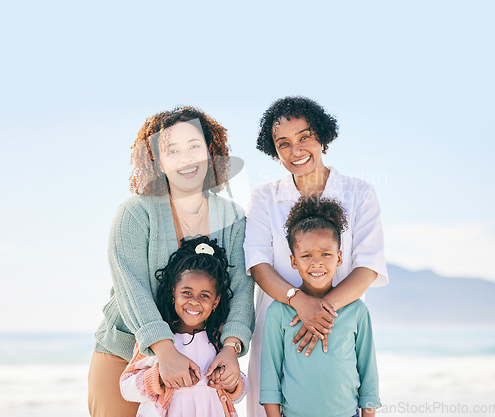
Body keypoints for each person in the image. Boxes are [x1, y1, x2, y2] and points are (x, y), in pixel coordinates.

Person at [88, 107, 254, 417]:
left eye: (194, 146)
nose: (186, 158)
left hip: (201, 359)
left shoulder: (233, 219)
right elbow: (131, 288)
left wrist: (231, 348)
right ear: (157, 160)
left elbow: (243, 289)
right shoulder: (136, 212)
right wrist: (164, 351)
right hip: (125, 355)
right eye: (172, 150)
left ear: (210, 150)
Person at [244, 96, 388, 416]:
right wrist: (299, 302)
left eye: (305, 137)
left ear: (321, 135)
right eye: (283, 143)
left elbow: (368, 265)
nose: (296, 151)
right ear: (274, 150)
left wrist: (320, 312)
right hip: (279, 329)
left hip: (340, 326)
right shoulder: (264, 197)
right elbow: (258, 264)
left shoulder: (359, 193)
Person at [260, 196, 380, 417]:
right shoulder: (278, 312)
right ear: (294, 260)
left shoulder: (357, 311)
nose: (317, 263)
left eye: (326, 254)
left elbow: (368, 376)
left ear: (339, 258)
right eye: (306, 255)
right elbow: (270, 379)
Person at [120, 236, 248, 416]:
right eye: (187, 292)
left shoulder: (219, 337)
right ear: (173, 292)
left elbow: (240, 392)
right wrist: (158, 377)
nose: (194, 302)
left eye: (204, 295)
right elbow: (126, 388)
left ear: (216, 301)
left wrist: (232, 382)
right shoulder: (158, 338)